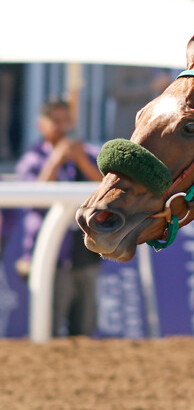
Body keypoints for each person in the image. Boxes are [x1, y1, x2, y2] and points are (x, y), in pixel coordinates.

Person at [15, 100, 102, 336]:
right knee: (47, 326)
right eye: (56, 121)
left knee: (84, 327)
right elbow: (34, 199)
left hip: (86, 254)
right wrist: (55, 161)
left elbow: (107, 192)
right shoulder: (32, 160)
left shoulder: (89, 154)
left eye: (67, 120)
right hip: (50, 257)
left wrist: (81, 160)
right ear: (40, 125)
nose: (63, 127)